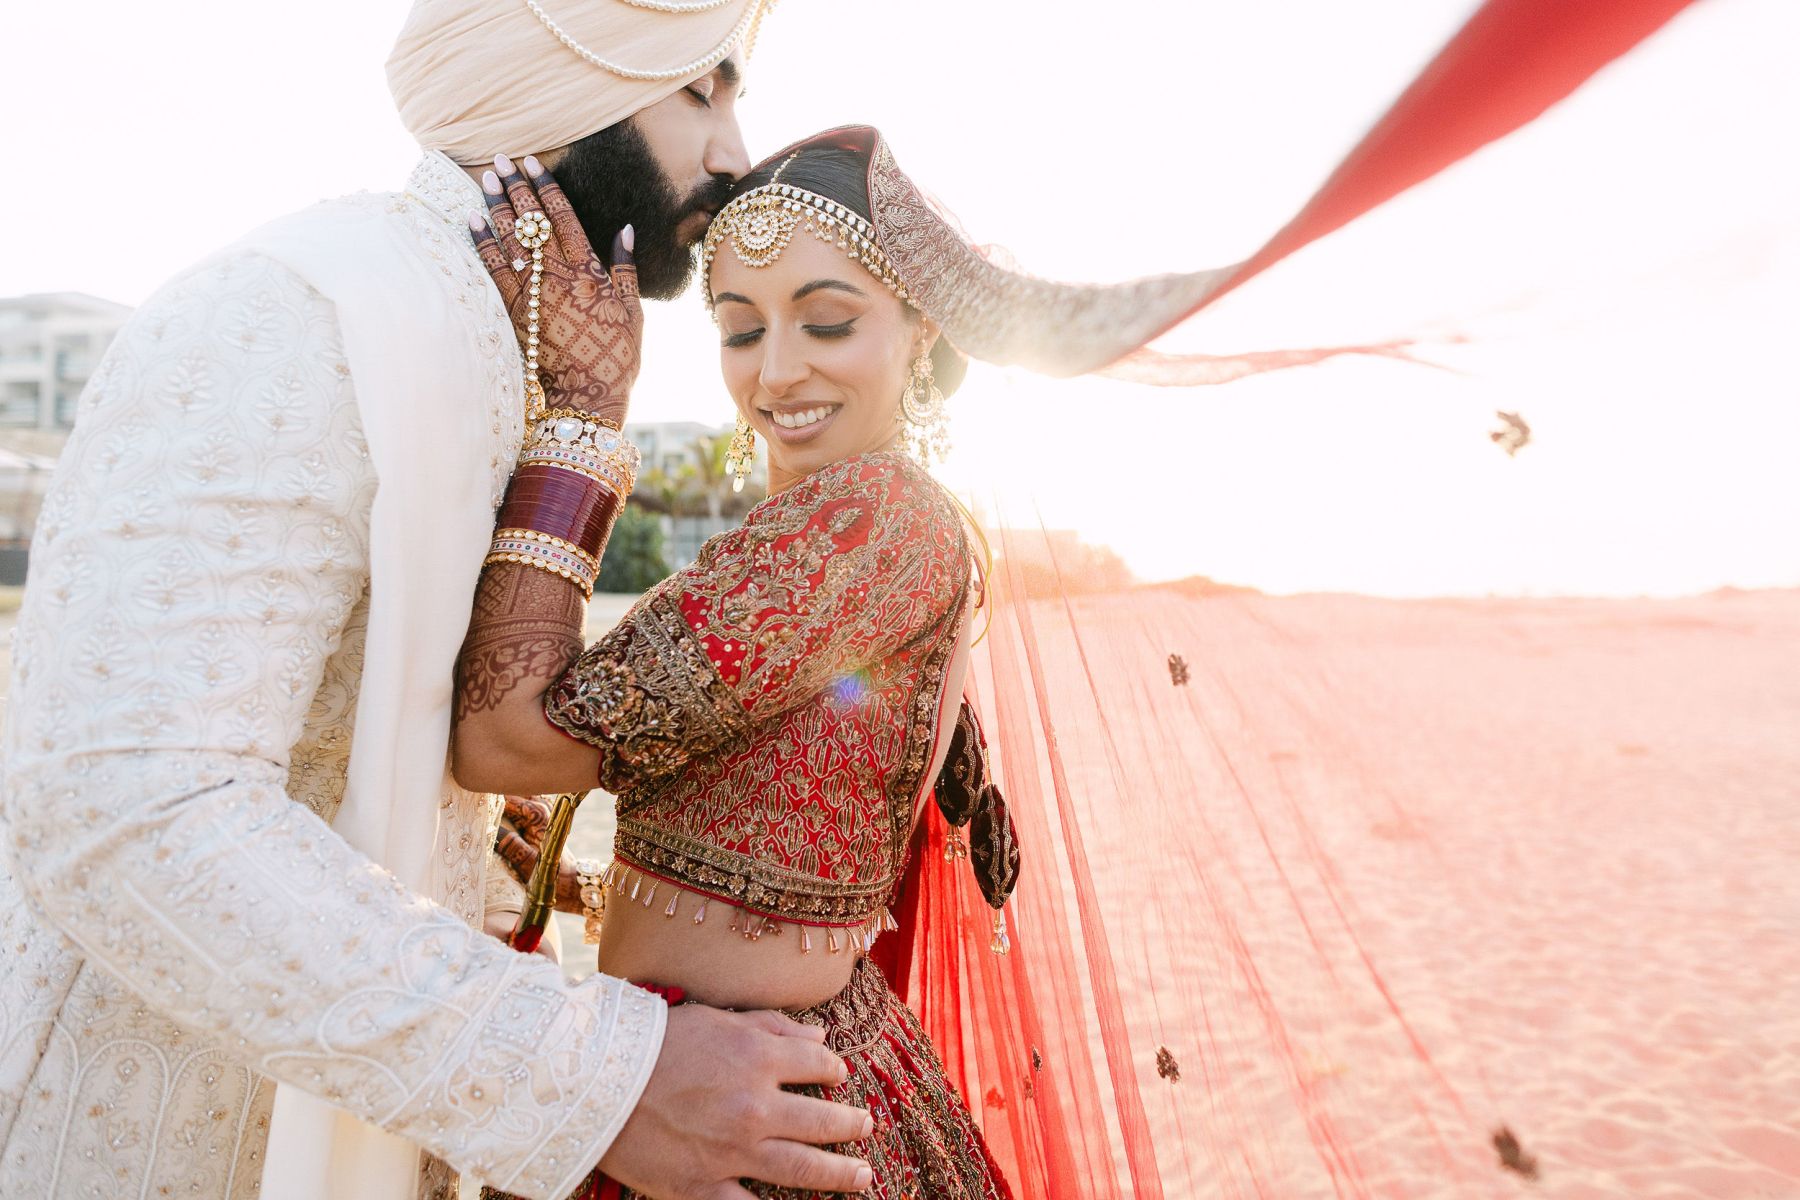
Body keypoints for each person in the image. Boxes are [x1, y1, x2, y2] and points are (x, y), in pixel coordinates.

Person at [0, 6, 880, 1200]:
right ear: (565, 81)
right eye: (701, 91)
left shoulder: (509, 346)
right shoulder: (294, 314)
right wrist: (597, 1080)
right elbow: (127, 805)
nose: (733, 153)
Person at [454, 123, 1279, 1199]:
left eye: (828, 321)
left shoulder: (870, 523)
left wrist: (580, 419)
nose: (777, 370)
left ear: (920, 330)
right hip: (754, 1083)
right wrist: (579, 887)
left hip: (749, 1113)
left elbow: (506, 734)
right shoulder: (864, 532)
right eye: (738, 329)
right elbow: (796, 848)